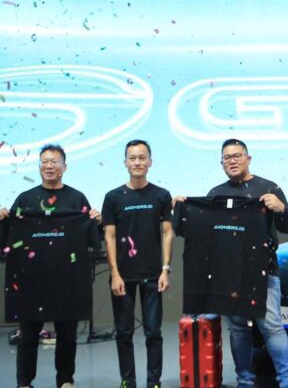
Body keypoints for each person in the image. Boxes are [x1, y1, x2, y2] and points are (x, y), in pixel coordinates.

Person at [180, 139, 288, 388]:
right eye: (227, 157)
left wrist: (281, 208)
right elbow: (204, 233)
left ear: (248, 158)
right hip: (229, 274)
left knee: (271, 326)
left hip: (263, 271)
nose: (232, 161)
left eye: (237, 156)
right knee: (237, 329)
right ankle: (245, 381)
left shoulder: (269, 188)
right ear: (221, 162)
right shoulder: (215, 194)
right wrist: (184, 210)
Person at [0, 144, 102, 388]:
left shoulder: (77, 199)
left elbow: (90, 237)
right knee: (28, 336)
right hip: (31, 281)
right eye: (44, 161)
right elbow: (9, 235)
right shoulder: (25, 199)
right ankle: (24, 382)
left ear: (64, 167)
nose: (49, 165)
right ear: (39, 166)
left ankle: (65, 380)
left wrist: (96, 220)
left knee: (67, 335)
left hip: (67, 280)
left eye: (54, 161)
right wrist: (3, 218)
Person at [103, 140, 174, 388]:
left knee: (153, 332)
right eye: (132, 158)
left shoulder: (161, 195)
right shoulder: (113, 198)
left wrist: (165, 269)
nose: (137, 162)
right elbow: (109, 237)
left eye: (142, 157)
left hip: (153, 274)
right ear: (125, 162)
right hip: (122, 275)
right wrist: (114, 273)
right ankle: (128, 380)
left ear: (150, 162)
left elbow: (168, 233)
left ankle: (154, 381)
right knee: (124, 332)